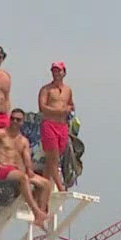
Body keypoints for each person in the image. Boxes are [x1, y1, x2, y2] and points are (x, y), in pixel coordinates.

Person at [0, 111, 52, 228]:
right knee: (23, 178)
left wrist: (29, 169)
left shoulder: (23, 141)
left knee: (46, 184)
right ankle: (36, 212)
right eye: (13, 119)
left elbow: (27, 158)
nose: (15, 122)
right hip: (1, 170)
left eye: (18, 119)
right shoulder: (1, 133)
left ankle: (41, 215)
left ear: (22, 122)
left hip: (15, 170)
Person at [36, 61, 75, 191]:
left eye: (58, 70)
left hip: (62, 126)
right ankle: (60, 185)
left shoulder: (68, 90)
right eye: (54, 70)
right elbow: (42, 107)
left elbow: (71, 104)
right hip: (49, 124)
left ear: (64, 72)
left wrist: (68, 109)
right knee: (53, 156)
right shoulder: (46, 89)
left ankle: (44, 187)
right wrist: (59, 111)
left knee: (54, 159)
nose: (56, 73)